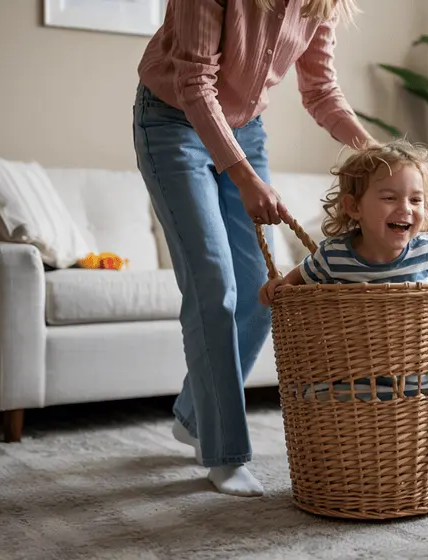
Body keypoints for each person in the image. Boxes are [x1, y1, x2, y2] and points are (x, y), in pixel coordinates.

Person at [132, 0, 375, 498]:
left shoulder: (319, 4)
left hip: (247, 127)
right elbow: (194, 84)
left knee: (264, 294)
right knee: (213, 287)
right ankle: (224, 454)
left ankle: (194, 416)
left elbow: (322, 90)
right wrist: (244, 178)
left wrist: (382, 157)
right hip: (172, 122)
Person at [259, 139, 428, 304]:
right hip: (353, 361)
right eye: (389, 198)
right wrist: (279, 286)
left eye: (416, 200)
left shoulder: (425, 250)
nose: (405, 208)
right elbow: (294, 281)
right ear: (354, 207)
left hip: (415, 361)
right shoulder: (333, 254)